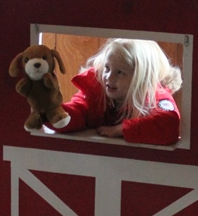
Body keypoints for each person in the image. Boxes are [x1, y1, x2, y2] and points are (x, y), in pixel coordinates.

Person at [49, 38, 182, 145]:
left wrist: (121, 130)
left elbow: (169, 124)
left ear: (140, 78)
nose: (109, 77)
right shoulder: (95, 90)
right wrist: (49, 111)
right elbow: (78, 111)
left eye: (120, 72)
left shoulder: (153, 95)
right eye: (107, 68)